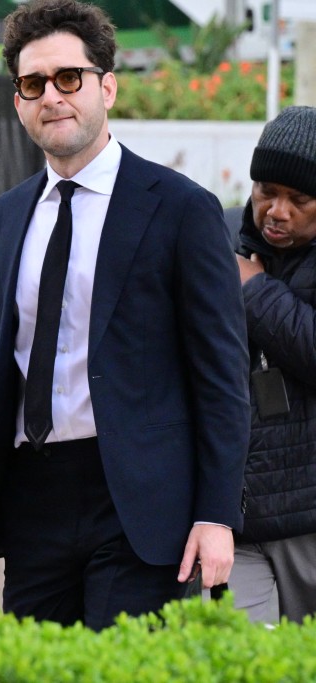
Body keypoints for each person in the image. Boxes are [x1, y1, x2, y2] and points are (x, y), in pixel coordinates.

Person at [0, 0, 251, 631]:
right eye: (33, 84)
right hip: (33, 499)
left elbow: (222, 377)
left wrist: (216, 516)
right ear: (20, 101)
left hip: (138, 501)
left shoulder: (181, 209)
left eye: (69, 78)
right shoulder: (3, 219)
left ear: (107, 86)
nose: (51, 96)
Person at [227, 105, 316, 624]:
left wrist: (253, 291)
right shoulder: (222, 243)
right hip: (238, 522)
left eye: (298, 199)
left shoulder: (243, 275)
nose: (276, 210)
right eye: (266, 191)